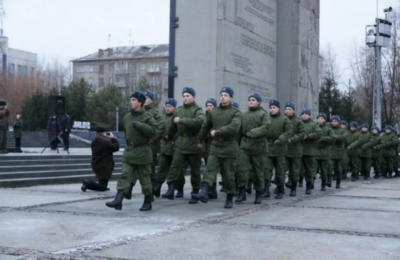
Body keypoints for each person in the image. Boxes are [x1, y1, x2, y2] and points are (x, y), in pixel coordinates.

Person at [106, 91, 158, 211]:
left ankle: (147, 200)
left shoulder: (147, 116)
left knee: (145, 178)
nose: (130, 102)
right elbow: (126, 133)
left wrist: (140, 125)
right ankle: (118, 200)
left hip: (143, 152)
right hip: (130, 151)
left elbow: (155, 131)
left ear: (140, 102)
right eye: (130, 99)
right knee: (125, 176)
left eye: (133, 100)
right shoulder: (127, 117)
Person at [192, 86, 241, 208]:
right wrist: (199, 140)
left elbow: (234, 127)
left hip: (230, 147)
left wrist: (217, 132)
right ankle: (204, 192)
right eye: (222, 95)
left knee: (228, 174)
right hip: (215, 146)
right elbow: (205, 127)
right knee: (209, 169)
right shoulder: (213, 112)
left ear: (230, 98)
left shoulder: (235, 113)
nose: (223, 97)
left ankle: (229, 198)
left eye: (226, 95)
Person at [161, 87, 205, 204]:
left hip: (194, 144)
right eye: (184, 96)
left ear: (193, 97)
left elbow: (200, 122)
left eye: (188, 96)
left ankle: (195, 192)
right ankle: (171, 189)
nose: (185, 98)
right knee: (175, 167)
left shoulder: (198, 110)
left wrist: (181, 120)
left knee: (195, 171)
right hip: (180, 144)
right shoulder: (178, 110)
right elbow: (172, 127)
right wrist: (170, 138)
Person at [235, 92, 269, 204]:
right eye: (249, 100)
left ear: (258, 102)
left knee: (258, 172)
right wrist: (237, 144)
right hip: (245, 146)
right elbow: (239, 131)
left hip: (259, 147)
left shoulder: (263, 114)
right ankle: (241, 193)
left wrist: (252, 133)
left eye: (253, 100)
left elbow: (266, 128)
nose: (251, 101)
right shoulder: (244, 115)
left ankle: (258, 194)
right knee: (242, 170)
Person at [264, 99, 292, 199]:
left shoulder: (285, 119)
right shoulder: (266, 118)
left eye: (274, 107)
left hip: (280, 149)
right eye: (271, 108)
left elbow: (288, 132)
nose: (272, 109)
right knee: (266, 170)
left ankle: (280, 189)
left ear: (278, 108)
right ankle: (266, 189)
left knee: (280, 171)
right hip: (268, 148)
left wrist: (280, 139)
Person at [81, 126, 120, 192]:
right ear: (102, 133)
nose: (106, 134)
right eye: (105, 133)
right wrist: (113, 138)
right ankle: (87, 183)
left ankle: (97, 185)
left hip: (99, 164)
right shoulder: (103, 141)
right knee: (102, 187)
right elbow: (116, 147)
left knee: (103, 184)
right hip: (103, 166)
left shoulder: (96, 140)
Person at [284, 102, 305, 196]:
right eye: (286, 109)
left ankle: (294, 188)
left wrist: (292, 139)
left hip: (295, 149)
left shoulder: (298, 121)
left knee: (295, 170)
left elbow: (302, 134)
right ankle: (280, 186)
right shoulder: (283, 119)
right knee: (282, 169)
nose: (287, 111)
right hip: (284, 149)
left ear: (293, 110)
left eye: (289, 109)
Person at [300, 108, 321, 195]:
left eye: (306, 114)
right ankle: (296, 182)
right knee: (296, 168)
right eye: (303, 114)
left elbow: (318, 133)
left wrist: (307, 136)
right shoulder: (299, 124)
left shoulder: (313, 125)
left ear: (309, 115)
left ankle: (309, 185)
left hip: (309, 150)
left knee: (308, 169)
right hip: (298, 149)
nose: (304, 115)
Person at [315, 113, 334, 191]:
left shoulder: (328, 129)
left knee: (323, 170)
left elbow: (332, 138)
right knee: (313, 169)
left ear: (325, 120)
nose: (319, 119)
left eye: (321, 118)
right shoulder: (314, 127)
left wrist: (323, 138)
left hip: (324, 151)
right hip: (315, 151)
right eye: (318, 118)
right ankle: (311, 183)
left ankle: (323, 184)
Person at [330, 116, 348, 189]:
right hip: (330, 152)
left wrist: (334, 137)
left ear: (338, 122)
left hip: (339, 152)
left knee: (339, 169)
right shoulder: (329, 129)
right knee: (329, 167)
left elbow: (344, 138)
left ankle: (338, 182)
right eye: (332, 121)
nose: (333, 122)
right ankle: (329, 180)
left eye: (335, 121)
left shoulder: (343, 130)